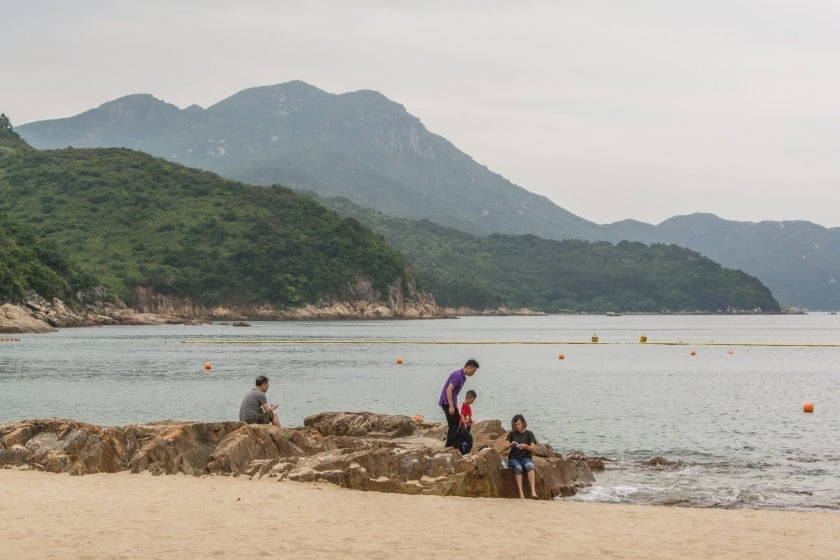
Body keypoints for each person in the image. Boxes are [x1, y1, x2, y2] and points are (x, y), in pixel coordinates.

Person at [438, 359, 479, 447]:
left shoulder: (462, 377)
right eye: (474, 370)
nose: (474, 373)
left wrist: (455, 405)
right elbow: (449, 390)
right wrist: (451, 406)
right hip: (446, 402)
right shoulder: (457, 375)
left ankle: (452, 444)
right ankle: (449, 445)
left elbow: (454, 393)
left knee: (456, 423)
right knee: (454, 425)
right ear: (469, 367)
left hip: (451, 402)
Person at [506, 414, 538, 499]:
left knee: (530, 466)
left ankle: (533, 491)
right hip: (514, 458)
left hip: (525, 457)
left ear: (523, 423)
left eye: (519, 424)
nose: (518, 426)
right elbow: (505, 447)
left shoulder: (529, 434)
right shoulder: (512, 434)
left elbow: (533, 448)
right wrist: (511, 444)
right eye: (516, 424)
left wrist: (525, 446)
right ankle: (521, 493)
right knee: (518, 468)